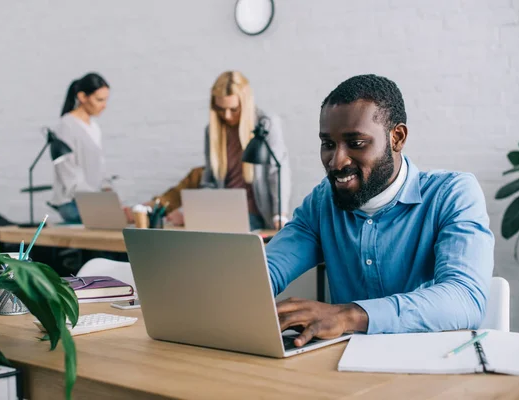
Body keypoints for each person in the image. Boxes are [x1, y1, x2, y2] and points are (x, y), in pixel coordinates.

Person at [266, 74, 494, 347]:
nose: (336, 161)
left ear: (396, 138)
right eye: (328, 144)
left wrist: (349, 315)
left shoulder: (452, 194)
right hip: (341, 371)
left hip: (431, 364)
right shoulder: (321, 202)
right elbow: (267, 271)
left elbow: (464, 297)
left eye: (356, 143)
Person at [201, 71, 291, 230]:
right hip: (223, 213)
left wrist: (280, 214)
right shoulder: (212, 132)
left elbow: (277, 172)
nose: (227, 116)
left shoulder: (266, 124)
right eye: (221, 109)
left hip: (256, 215)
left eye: (233, 109)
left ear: (245, 103)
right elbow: (210, 179)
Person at [50, 73, 112, 223]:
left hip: (94, 202)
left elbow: (99, 167)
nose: (104, 105)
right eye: (99, 100)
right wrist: (100, 204)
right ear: (83, 97)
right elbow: (69, 176)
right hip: (74, 204)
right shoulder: (66, 126)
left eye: (105, 100)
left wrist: (108, 193)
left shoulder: (94, 128)